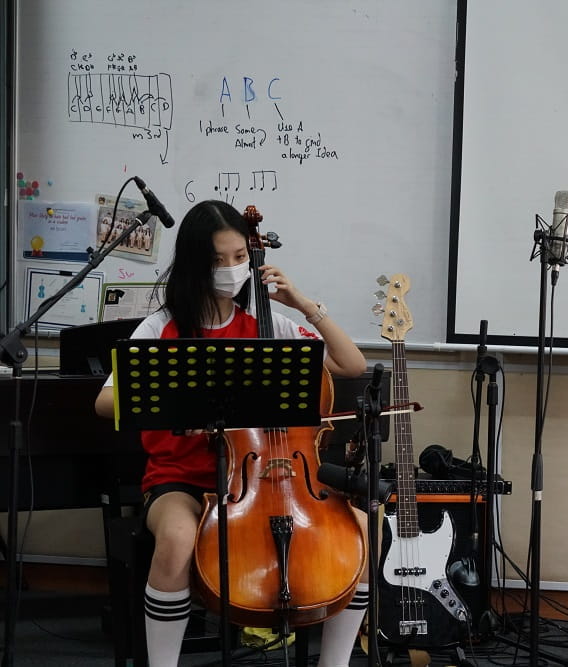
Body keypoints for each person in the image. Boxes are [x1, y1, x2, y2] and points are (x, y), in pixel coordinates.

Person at [95, 200, 370, 667]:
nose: (231, 269)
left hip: (266, 477)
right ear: (193, 263)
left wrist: (302, 304)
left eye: (240, 257)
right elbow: (105, 401)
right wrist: (181, 399)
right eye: (218, 260)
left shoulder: (270, 326)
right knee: (180, 537)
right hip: (182, 480)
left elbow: (351, 365)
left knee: (361, 528)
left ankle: (335, 663)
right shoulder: (162, 327)